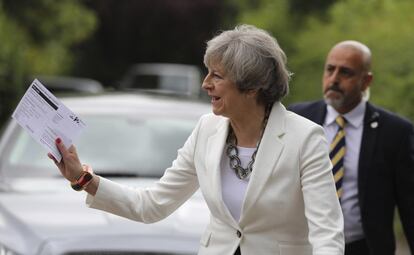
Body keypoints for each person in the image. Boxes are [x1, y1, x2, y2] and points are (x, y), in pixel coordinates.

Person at [49, 25, 344, 254]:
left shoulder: (305, 138)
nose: (205, 84)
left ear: (252, 87)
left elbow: (327, 234)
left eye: (217, 76)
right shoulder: (206, 129)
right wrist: (83, 179)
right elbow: (151, 205)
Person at [289, 40, 414, 255]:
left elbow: (410, 205)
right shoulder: (297, 118)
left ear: (366, 81)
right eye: (330, 69)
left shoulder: (395, 133)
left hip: (363, 247)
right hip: (303, 245)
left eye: (345, 72)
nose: (334, 79)